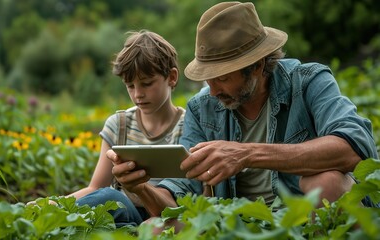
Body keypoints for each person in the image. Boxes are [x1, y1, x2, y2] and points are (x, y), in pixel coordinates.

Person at [107, 1, 379, 230]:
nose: (212, 91)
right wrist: (141, 187)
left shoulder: (308, 82)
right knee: (153, 227)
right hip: (237, 226)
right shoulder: (201, 108)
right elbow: (177, 196)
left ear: (258, 65)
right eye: (207, 80)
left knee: (326, 183)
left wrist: (246, 154)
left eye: (222, 78)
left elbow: (355, 147)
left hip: (303, 221)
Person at [29, 30, 185, 227]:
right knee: (111, 199)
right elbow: (96, 187)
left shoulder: (187, 127)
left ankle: (46, 224)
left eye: (147, 83)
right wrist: (54, 203)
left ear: (171, 77)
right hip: (123, 212)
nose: (138, 94)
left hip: (167, 216)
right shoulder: (119, 124)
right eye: (130, 86)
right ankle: (47, 221)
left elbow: (181, 201)